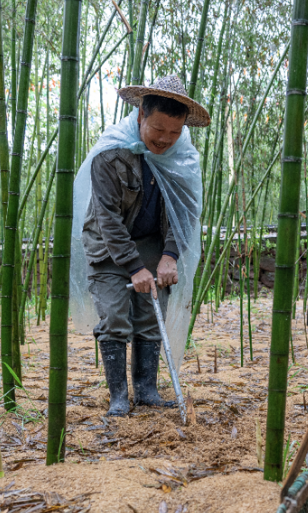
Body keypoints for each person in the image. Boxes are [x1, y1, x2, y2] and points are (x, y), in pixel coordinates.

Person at [81, 75, 210, 416]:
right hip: (109, 245)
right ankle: (119, 397)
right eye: (158, 129)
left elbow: (184, 213)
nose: (166, 139)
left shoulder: (183, 158)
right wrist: (134, 267)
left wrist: (169, 256)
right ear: (140, 116)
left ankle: (148, 390)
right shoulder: (110, 155)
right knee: (114, 316)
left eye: (175, 132)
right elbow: (107, 219)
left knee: (150, 316)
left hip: (153, 242)